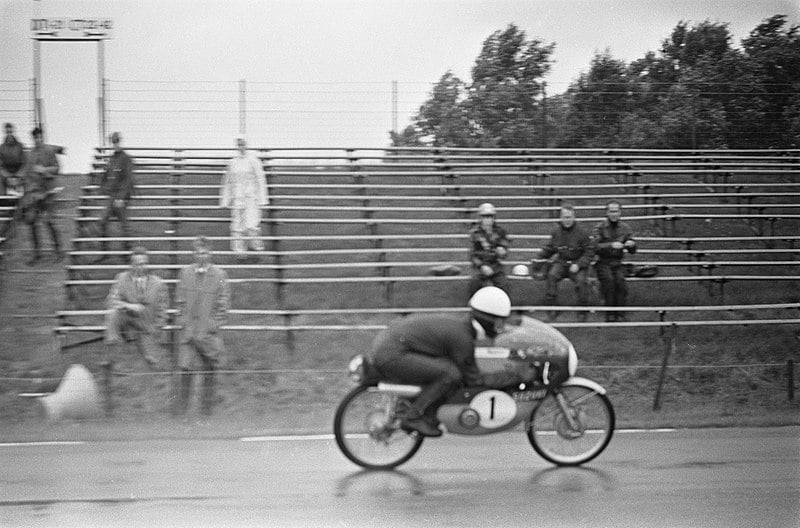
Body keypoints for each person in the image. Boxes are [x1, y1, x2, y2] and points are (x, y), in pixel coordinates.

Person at [367, 286, 536, 437]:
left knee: (448, 371)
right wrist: (514, 376)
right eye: (499, 322)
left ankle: (422, 412)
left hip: (391, 346)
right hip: (392, 354)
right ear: (488, 321)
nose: (500, 327)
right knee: (450, 374)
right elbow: (474, 380)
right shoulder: (463, 339)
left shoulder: (462, 327)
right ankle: (413, 416)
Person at [104, 246, 169, 410]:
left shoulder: (158, 283)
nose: (141, 267)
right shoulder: (121, 278)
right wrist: (130, 306)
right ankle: (113, 351)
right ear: (131, 265)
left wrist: (157, 329)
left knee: (150, 364)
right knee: (113, 314)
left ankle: (149, 406)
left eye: (144, 263)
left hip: (147, 327)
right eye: (138, 264)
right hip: (127, 322)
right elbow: (111, 301)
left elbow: (163, 310)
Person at [175, 236, 231, 416]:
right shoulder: (185, 273)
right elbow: (180, 301)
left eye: (204, 252)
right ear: (193, 253)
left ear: (210, 253)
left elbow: (223, 305)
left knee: (210, 371)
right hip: (190, 333)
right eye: (198, 252)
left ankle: (206, 414)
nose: (201, 255)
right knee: (186, 372)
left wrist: (213, 325)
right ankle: (182, 414)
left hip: (208, 334)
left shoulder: (220, 275)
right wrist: (184, 322)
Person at [537, 204, 594, 321]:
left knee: (581, 281)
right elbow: (550, 248)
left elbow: (589, 253)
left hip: (577, 263)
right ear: (560, 218)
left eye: (569, 217)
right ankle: (553, 307)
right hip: (562, 262)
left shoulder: (583, 233)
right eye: (564, 217)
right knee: (552, 275)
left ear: (574, 217)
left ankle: (582, 310)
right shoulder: (556, 232)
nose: (567, 220)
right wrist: (539, 258)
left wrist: (578, 264)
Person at [219, 136, 268, 260]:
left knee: (251, 225)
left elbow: (260, 180)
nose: (241, 146)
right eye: (239, 144)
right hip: (237, 198)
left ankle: (257, 250)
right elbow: (227, 181)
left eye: (243, 144)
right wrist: (225, 200)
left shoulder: (254, 161)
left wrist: (262, 199)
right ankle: (240, 253)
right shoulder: (232, 163)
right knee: (237, 226)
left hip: (251, 198)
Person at [591, 200, 637, 322]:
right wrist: (611, 245)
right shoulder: (599, 227)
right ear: (607, 212)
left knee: (621, 283)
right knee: (609, 282)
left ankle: (620, 313)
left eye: (616, 211)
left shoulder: (625, 228)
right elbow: (595, 247)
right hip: (602, 262)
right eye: (611, 211)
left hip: (617, 263)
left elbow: (633, 250)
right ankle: (610, 313)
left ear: (620, 212)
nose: (614, 214)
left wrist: (631, 244)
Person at [22, 127, 62, 264]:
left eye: (39, 137)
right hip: (36, 193)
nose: (38, 140)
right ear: (33, 139)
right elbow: (27, 175)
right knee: (31, 220)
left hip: (49, 192)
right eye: (35, 138)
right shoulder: (30, 155)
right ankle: (37, 253)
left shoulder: (49, 151)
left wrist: (45, 170)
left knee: (48, 221)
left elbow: (57, 168)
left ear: (42, 137)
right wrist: (31, 191)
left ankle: (58, 251)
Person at [96, 131, 135, 259]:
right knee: (102, 222)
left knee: (123, 224)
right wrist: (102, 188)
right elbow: (106, 176)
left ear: (120, 142)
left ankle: (126, 253)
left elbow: (128, 179)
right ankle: (104, 253)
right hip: (113, 196)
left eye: (117, 141)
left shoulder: (126, 159)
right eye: (113, 142)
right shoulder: (112, 159)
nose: (115, 144)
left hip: (121, 197)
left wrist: (121, 198)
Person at [468, 202, 510, 297]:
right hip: (480, 266)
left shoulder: (500, 232)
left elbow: (505, 249)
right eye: (485, 217)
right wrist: (482, 266)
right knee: (474, 283)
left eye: (490, 216)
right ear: (480, 218)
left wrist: (502, 251)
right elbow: (472, 254)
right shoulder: (474, 233)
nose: (488, 219)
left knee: (504, 285)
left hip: (495, 265)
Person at [0, 122, 26, 197]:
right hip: (6, 174)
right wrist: (7, 176)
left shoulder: (20, 146)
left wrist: (18, 175)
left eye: (10, 132)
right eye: (7, 132)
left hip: (18, 173)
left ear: (13, 132)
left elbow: (24, 163)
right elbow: (0, 165)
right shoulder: (2, 148)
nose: (9, 134)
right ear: (5, 132)